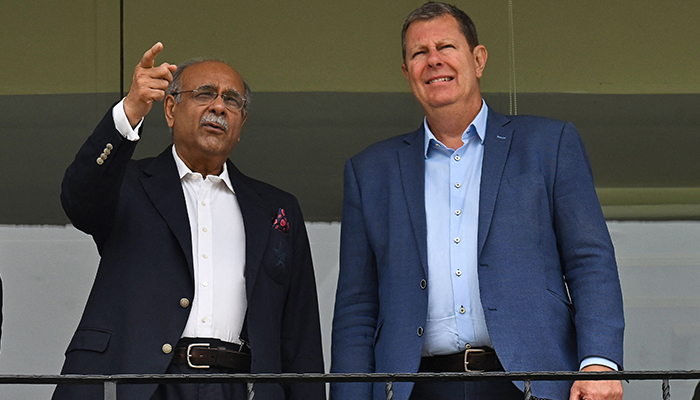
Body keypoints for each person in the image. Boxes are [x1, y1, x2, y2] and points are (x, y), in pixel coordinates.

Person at [330, 2, 624, 400]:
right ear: (406, 73)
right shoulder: (370, 172)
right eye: (419, 53)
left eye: (446, 47)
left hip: (532, 384)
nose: (433, 60)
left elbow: (590, 261)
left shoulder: (548, 145)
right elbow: (357, 308)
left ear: (478, 59)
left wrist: (599, 363)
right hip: (416, 388)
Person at [53, 43, 325, 400]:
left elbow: (299, 336)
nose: (218, 106)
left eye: (232, 101)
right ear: (170, 109)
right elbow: (79, 200)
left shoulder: (276, 208)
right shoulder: (128, 184)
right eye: (205, 94)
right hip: (140, 384)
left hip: (240, 388)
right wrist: (131, 109)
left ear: (241, 124)